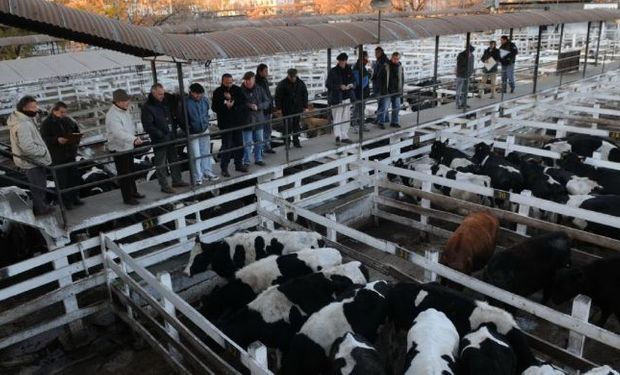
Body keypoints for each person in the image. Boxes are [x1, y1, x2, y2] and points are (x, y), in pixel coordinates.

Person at [8, 96, 54, 216]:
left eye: (36, 106)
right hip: (32, 161)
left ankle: (41, 206)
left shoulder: (22, 118)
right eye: (33, 107)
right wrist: (43, 151)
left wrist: (39, 110)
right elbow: (27, 148)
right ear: (24, 108)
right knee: (38, 186)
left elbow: (36, 112)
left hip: (30, 160)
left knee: (39, 185)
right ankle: (41, 209)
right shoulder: (23, 125)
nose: (36, 109)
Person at [141, 83, 189, 194]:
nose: (162, 96)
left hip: (170, 136)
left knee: (174, 159)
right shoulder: (147, 107)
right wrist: (160, 134)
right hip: (160, 139)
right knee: (161, 163)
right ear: (153, 93)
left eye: (163, 93)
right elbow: (148, 126)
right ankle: (164, 185)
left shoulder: (165, 100)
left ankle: (177, 180)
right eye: (159, 94)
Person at [40, 101, 84, 209]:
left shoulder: (68, 120)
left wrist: (76, 138)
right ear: (54, 110)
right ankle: (66, 202)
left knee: (74, 177)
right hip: (58, 157)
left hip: (70, 154)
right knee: (62, 180)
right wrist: (57, 140)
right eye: (61, 112)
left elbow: (76, 130)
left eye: (65, 112)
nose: (64, 114)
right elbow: (44, 139)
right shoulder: (46, 123)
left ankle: (75, 197)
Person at [105, 89, 144, 205]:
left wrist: (132, 139)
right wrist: (134, 139)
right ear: (118, 101)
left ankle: (133, 192)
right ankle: (127, 198)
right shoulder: (112, 115)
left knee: (130, 171)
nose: (128, 102)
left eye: (127, 100)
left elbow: (128, 127)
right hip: (119, 147)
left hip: (127, 145)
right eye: (125, 100)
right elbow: (118, 133)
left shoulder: (124, 111)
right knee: (124, 174)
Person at [212, 73, 248, 177]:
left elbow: (243, 102)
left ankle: (239, 164)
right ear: (222, 81)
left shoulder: (237, 89)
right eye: (227, 82)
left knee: (239, 144)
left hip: (237, 122)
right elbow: (214, 107)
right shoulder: (218, 92)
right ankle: (224, 168)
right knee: (226, 146)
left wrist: (233, 102)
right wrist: (225, 106)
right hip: (225, 123)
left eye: (231, 82)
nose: (229, 84)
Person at [183, 83, 218, 185]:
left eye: (200, 94)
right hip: (192, 132)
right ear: (191, 92)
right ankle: (198, 176)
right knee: (196, 155)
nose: (199, 96)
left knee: (205, 153)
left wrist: (206, 123)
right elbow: (182, 118)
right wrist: (188, 128)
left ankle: (207, 172)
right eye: (197, 94)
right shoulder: (186, 103)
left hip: (204, 129)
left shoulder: (204, 100)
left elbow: (207, 113)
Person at [240, 71, 270, 167]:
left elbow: (267, 101)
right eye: (246, 80)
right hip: (246, 120)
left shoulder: (260, 89)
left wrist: (258, 106)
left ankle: (258, 158)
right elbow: (238, 104)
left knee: (259, 141)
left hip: (258, 120)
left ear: (254, 80)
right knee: (247, 143)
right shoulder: (240, 91)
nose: (248, 82)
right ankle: (246, 161)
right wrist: (249, 105)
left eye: (249, 80)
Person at [326, 52, 356, 145]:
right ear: (338, 61)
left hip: (347, 97)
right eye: (341, 61)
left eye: (344, 61)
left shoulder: (349, 69)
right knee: (337, 118)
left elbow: (354, 81)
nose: (343, 63)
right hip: (336, 98)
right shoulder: (333, 71)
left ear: (346, 61)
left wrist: (351, 85)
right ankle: (337, 137)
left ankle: (344, 136)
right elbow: (328, 84)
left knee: (346, 117)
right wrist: (339, 86)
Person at [274, 68, 308, 148]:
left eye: (294, 76)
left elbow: (305, 94)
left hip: (297, 108)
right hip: (287, 109)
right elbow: (277, 97)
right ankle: (287, 143)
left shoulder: (300, 83)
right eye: (291, 77)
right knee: (287, 127)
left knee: (296, 126)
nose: (293, 78)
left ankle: (296, 142)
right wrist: (279, 108)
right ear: (288, 75)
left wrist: (305, 106)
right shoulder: (282, 84)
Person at [376, 52, 405, 128]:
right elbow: (379, 78)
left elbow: (402, 79)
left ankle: (394, 122)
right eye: (394, 58)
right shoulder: (386, 66)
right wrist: (382, 89)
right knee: (384, 107)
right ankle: (380, 122)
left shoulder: (400, 67)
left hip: (397, 91)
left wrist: (401, 89)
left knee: (397, 107)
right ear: (391, 58)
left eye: (397, 59)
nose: (396, 60)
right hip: (387, 91)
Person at [256, 64, 275, 154]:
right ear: (260, 72)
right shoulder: (258, 82)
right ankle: (262, 149)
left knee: (268, 129)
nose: (267, 73)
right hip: (262, 110)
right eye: (265, 71)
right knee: (262, 130)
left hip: (268, 109)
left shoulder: (264, 81)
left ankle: (267, 146)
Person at [352, 50, 371, 133]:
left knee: (359, 109)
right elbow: (360, 82)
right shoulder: (358, 67)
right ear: (364, 57)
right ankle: (357, 125)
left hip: (361, 92)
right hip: (360, 93)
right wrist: (368, 76)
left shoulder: (361, 66)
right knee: (359, 109)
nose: (368, 58)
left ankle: (358, 125)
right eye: (367, 56)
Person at [372, 47, 389, 128]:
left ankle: (381, 122)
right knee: (381, 104)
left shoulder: (384, 62)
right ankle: (380, 119)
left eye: (377, 53)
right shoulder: (380, 61)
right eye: (375, 53)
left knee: (382, 105)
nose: (375, 55)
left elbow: (381, 76)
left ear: (381, 52)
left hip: (382, 87)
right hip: (380, 87)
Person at [455, 45, 475, 110]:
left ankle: (464, 103)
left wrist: (471, 73)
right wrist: (467, 58)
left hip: (467, 75)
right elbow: (460, 64)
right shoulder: (461, 55)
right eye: (469, 52)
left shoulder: (472, 56)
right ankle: (457, 104)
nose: (470, 53)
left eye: (471, 52)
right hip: (461, 75)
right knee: (459, 90)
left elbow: (471, 65)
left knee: (465, 90)